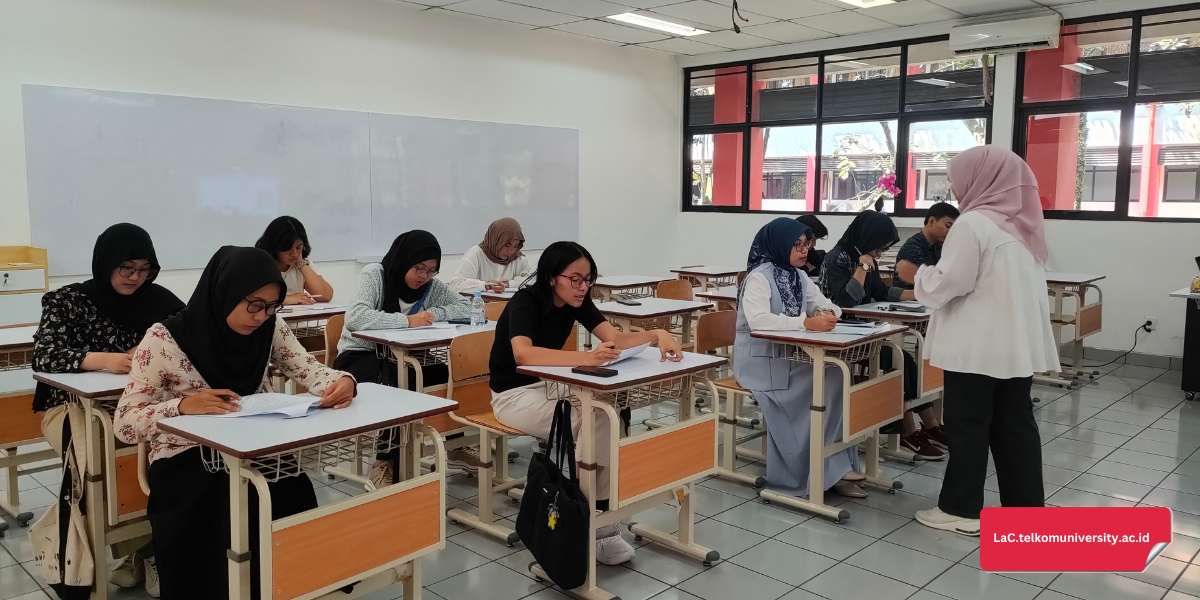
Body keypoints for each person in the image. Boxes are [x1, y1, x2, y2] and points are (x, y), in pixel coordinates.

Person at [114, 246, 356, 600]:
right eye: (253, 304)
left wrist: (344, 380)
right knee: (222, 508)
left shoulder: (269, 326)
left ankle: (294, 586)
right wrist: (182, 406)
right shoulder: (164, 340)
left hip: (254, 445)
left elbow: (309, 369)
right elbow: (124, 421)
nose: (260, 316)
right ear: (224, 291)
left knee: (290, 489)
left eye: (271, 306)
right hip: (187, 456)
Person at [489, 241, 683, 566]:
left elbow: (616, 340)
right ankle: (595, 523)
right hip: (513, 395)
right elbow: (523, 353)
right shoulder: (526, 301)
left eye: (589, 279)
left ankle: (598, 520)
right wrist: (587, 357)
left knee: (613, 410)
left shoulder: (578, 301)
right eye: (575, 279)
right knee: (596, 421)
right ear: (553, 277)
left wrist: (657, 334)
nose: (583, 287)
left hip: (551, 388)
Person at [901, 146, 1057, 536]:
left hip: (977, 347)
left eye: (956, 179)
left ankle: (961, 509)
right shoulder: (1023, 227)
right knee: (1015, 426)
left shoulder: (973, 224)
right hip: (1013, 347)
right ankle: (1025, 513)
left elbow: (950, 283)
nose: (954, 189)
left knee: (968, 425)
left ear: (980, 178)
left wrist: (917, 274)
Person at [31, 223, 185, 597]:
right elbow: (44, 355)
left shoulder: (162, 303)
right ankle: (140, 550)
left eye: (143, 269)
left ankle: (144, 551)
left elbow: (190, 342)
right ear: (105, 264)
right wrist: (104, 360)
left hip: (139, 406)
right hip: (71, 409)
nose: (135, 278)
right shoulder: (67, 301)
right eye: (126, 268)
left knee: (175, 453)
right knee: (99, 462)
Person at [734, 218, 866, 500]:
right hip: (761, 362)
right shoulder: (759, 277)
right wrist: (805, 324)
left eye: (807, 244)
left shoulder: (798, 276)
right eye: (797, 244)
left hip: (789, 357)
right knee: (828, 378)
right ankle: (825, 470)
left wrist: (830, 313)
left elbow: (823, 303)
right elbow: (758, 322)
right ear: (780, 244)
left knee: (835, 375)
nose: (805, 250)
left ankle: (832, 467)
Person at [334, 230, 473, 484]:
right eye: (419, 268)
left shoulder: (431, 287)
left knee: (448, 373)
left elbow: (467, 308)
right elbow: (356, 317)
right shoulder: (375, 275)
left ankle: (455, 443)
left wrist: (434, 313)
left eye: (431, 270)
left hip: (407, 356)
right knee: (398, 382)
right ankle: (384, 461)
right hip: (361, 355)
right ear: (404, 259)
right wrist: (408, 321)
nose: (424, 276)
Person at [819, 211, 943, 460]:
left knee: (906, 360)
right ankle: (908, 431)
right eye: (879, 246)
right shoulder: (837, 258)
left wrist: (919, 293)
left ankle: (930, 426)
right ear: (868, 237)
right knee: (898, 361)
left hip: (865, 332)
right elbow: (846, 300)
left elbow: (879, 291)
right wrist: (863, 266)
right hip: (841, 334)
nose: (879, 252)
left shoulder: (864, 256)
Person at [254, 215, 335, 305]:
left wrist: (301, 264)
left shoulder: (302, 262)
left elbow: (326, 295)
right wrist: (285, 299)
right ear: (275, 246)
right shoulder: (260, 263)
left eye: (298, 247)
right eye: (288, 248)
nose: (294, 253)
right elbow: (253, 298)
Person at [449, 217, 534, 294]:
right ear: (496, 240)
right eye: (507, 245)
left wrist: (508, 284)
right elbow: (455, 285)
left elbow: (534, 279)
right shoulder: (476, 254)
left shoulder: (517, 258)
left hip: (507, 308)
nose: (511, 251)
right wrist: (486, 285)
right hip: (479, 308)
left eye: (516, 246)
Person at [894, 202, 960, 291]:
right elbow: (927, 283)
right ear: (931, 221)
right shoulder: (913, 247)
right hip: (910, 302)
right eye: (948, 226)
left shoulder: (938, 246)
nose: (950, 232)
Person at [795, 214, 829, 280]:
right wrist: (806, 268)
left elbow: (823, 268)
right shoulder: (784, 251)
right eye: (812, 239)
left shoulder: (809, 251)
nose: (814, 244)